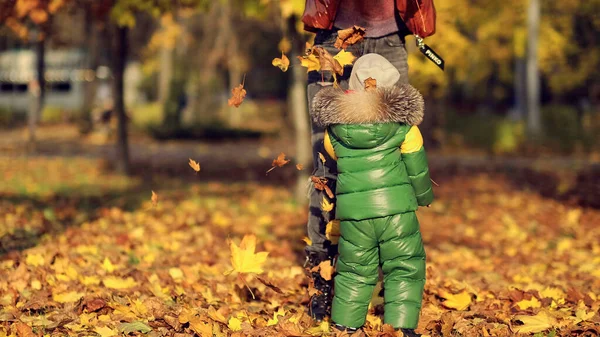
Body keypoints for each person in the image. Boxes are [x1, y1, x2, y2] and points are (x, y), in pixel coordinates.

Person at [301, 0, 437, 323]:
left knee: (393, 159)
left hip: (390, 39)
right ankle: (323, 278)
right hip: (331, 41)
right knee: (327, 168)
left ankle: (386, 283)